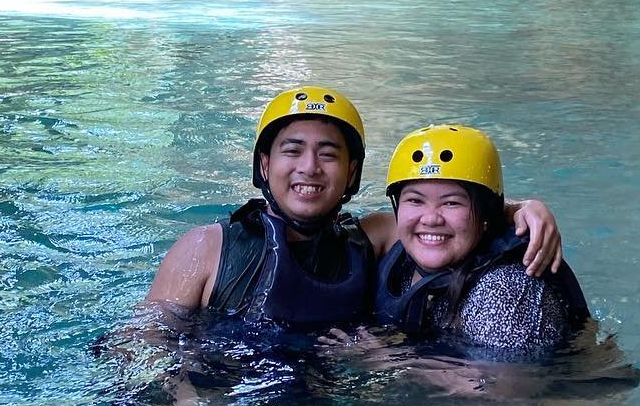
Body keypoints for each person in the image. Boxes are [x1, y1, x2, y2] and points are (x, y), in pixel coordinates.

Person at [143, 87, 561, 333]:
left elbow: (445, 219)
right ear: (266, 166)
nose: (310, 167)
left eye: (328, 155)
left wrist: (521, 208)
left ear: (351, 173)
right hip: (221, 402)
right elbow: (142, 344)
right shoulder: (207, 248)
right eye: (293, 151)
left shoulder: (371, 236)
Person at [372, 123, 591, 359]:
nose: (431, 219)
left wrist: (392, 361)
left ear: (487, 214)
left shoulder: (505, 291)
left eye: (451, 203)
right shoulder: (401, 255)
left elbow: (507, 389)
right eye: (415, 200)